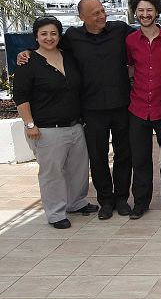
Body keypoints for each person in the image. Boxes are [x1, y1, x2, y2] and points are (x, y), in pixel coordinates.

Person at [18, 0, 135, 220]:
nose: (102, 16)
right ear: (82, 18)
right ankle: (105, 201)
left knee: (123, 155)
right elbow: (47, 44)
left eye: (103, 11)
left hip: (121, 105)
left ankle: (121, 198)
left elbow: (146, 36)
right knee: (97, 157)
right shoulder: (72, 37)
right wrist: (25, 53)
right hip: (91, 109)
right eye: (95, 14)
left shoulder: (120, 29)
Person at [13, 16, 98, 228]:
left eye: (53, 33)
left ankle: (76, 202)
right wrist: (30, 125)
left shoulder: (68, 57)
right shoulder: (28, 62)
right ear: (36, 37)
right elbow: (21, 97)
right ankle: (55, 213)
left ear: (59, 36)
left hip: (75, 125)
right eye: (44, 34)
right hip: (46, 130)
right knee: (52, 173)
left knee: (78, 169)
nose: (49, 38)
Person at [126, 0, 161, 219]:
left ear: (157, 12)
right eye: (141, 11)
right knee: (139, 158)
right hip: (138, 107)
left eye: (149, 10)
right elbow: (130, 68)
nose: (145, 14)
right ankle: (141, 201)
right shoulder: (130, 40)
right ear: (135, 13)